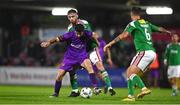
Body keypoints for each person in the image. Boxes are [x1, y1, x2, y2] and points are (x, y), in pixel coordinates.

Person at [104, 7, 171, 101]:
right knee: (129, 72)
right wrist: (168, 32)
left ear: (132, 15)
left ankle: (144, 88)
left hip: (144, 52)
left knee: (131, 73)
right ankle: (131, 96)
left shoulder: (133, 23)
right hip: (151, 53)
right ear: (139, 15)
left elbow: (124, 35)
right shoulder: (147, 23)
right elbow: (159, 29)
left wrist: (110, 43)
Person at [41, 24, 101, 97]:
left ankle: (95, 87)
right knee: (59, 76)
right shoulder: (69, 35)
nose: (78, 35)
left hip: (82, 56)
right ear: (75, 31)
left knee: (89, 67)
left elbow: (94, 34)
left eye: (80, 33)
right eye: (77, 33)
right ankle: (56, 93)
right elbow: (57, 39)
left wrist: (98, 43)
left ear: (83, 31)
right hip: (69, 58)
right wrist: (49, 42)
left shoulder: (86, 33)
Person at [67, 9, 116, 96]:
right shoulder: (69, 28)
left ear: (77, 15)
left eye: (73, 16)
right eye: (69, 17)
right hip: (81, 51)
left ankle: (109, 87)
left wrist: (97, 43)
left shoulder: (85, 23)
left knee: (100, 67)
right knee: (74, 69)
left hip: (91, 49)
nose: (71, 18)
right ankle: (80, 89)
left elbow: (91, 34)